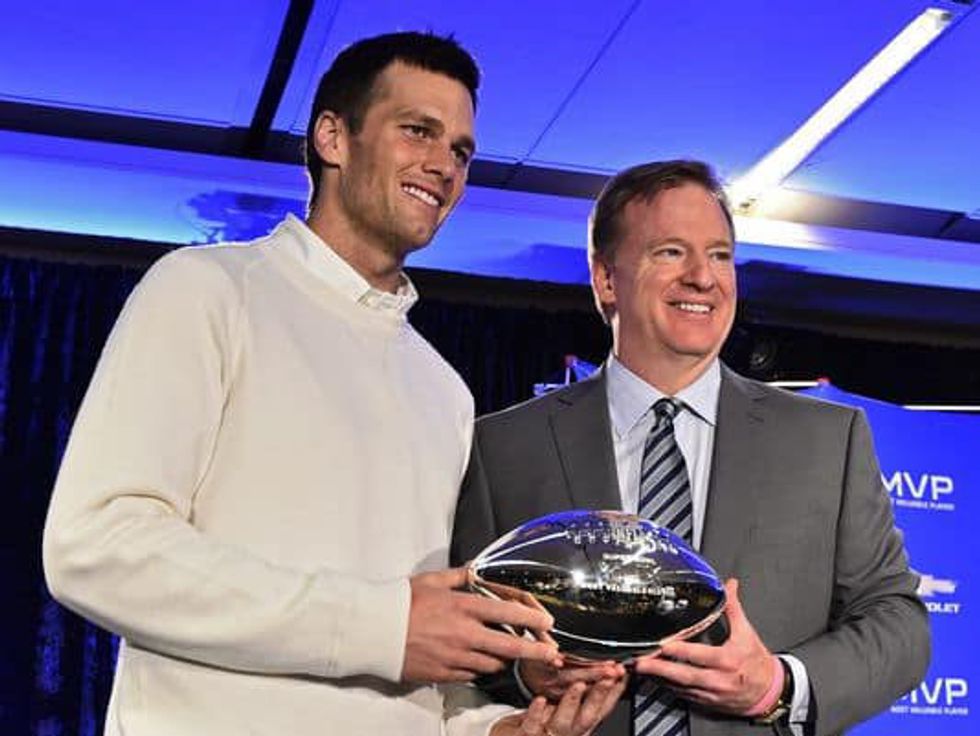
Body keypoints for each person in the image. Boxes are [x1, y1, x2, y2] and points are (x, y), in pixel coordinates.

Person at [42, 32, 624, 736]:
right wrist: (380, 625)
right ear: (332, 137)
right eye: (418, 131)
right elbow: (96, 547)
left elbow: (418, 662)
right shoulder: (206, 292)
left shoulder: (443, 390)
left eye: (462, 151)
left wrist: (493, 728)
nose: (444, 166)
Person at [451, 160, 930, 736]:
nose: (704, 277)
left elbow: (898, 623)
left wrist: (778, 685)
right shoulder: (502, 447)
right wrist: (529, 676)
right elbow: (466, 632)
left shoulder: (828, 440)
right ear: (606, 279)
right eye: (671, 252)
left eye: (720, 255)